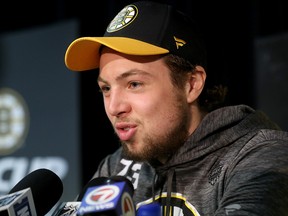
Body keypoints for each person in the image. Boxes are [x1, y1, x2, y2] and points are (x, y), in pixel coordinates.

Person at [64, 1, 288, 215]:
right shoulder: (116, 168)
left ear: (192, 84)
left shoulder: (262, 154)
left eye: (134, 84)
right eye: (106, 88)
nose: (114, 107)